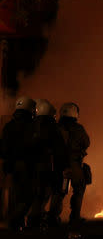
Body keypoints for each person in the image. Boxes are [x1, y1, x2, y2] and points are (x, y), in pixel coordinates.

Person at [28, 99, 67, 229]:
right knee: (52, 192)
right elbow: (60, 149)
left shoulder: (31, 125)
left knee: (38, 195)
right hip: (50, 166)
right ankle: (49, 220)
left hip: (34, 166)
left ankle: (33, 221)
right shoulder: (54, 128)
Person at [51, 102, 90, 226]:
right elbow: (86, 143)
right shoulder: (79, 129)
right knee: (78, 189)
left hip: (59, 164)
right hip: (74, 164)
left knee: (59, 191)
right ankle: (75, 217)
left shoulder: (55, 128)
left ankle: (52, 217)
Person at [1, 97, 36, 230]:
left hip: (11, 165)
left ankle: (17, 222)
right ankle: (16, 220)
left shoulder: (9, 125)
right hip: (26, 165)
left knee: (15, 195)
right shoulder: (31, 125)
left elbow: (3, 147)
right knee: (28, 196)